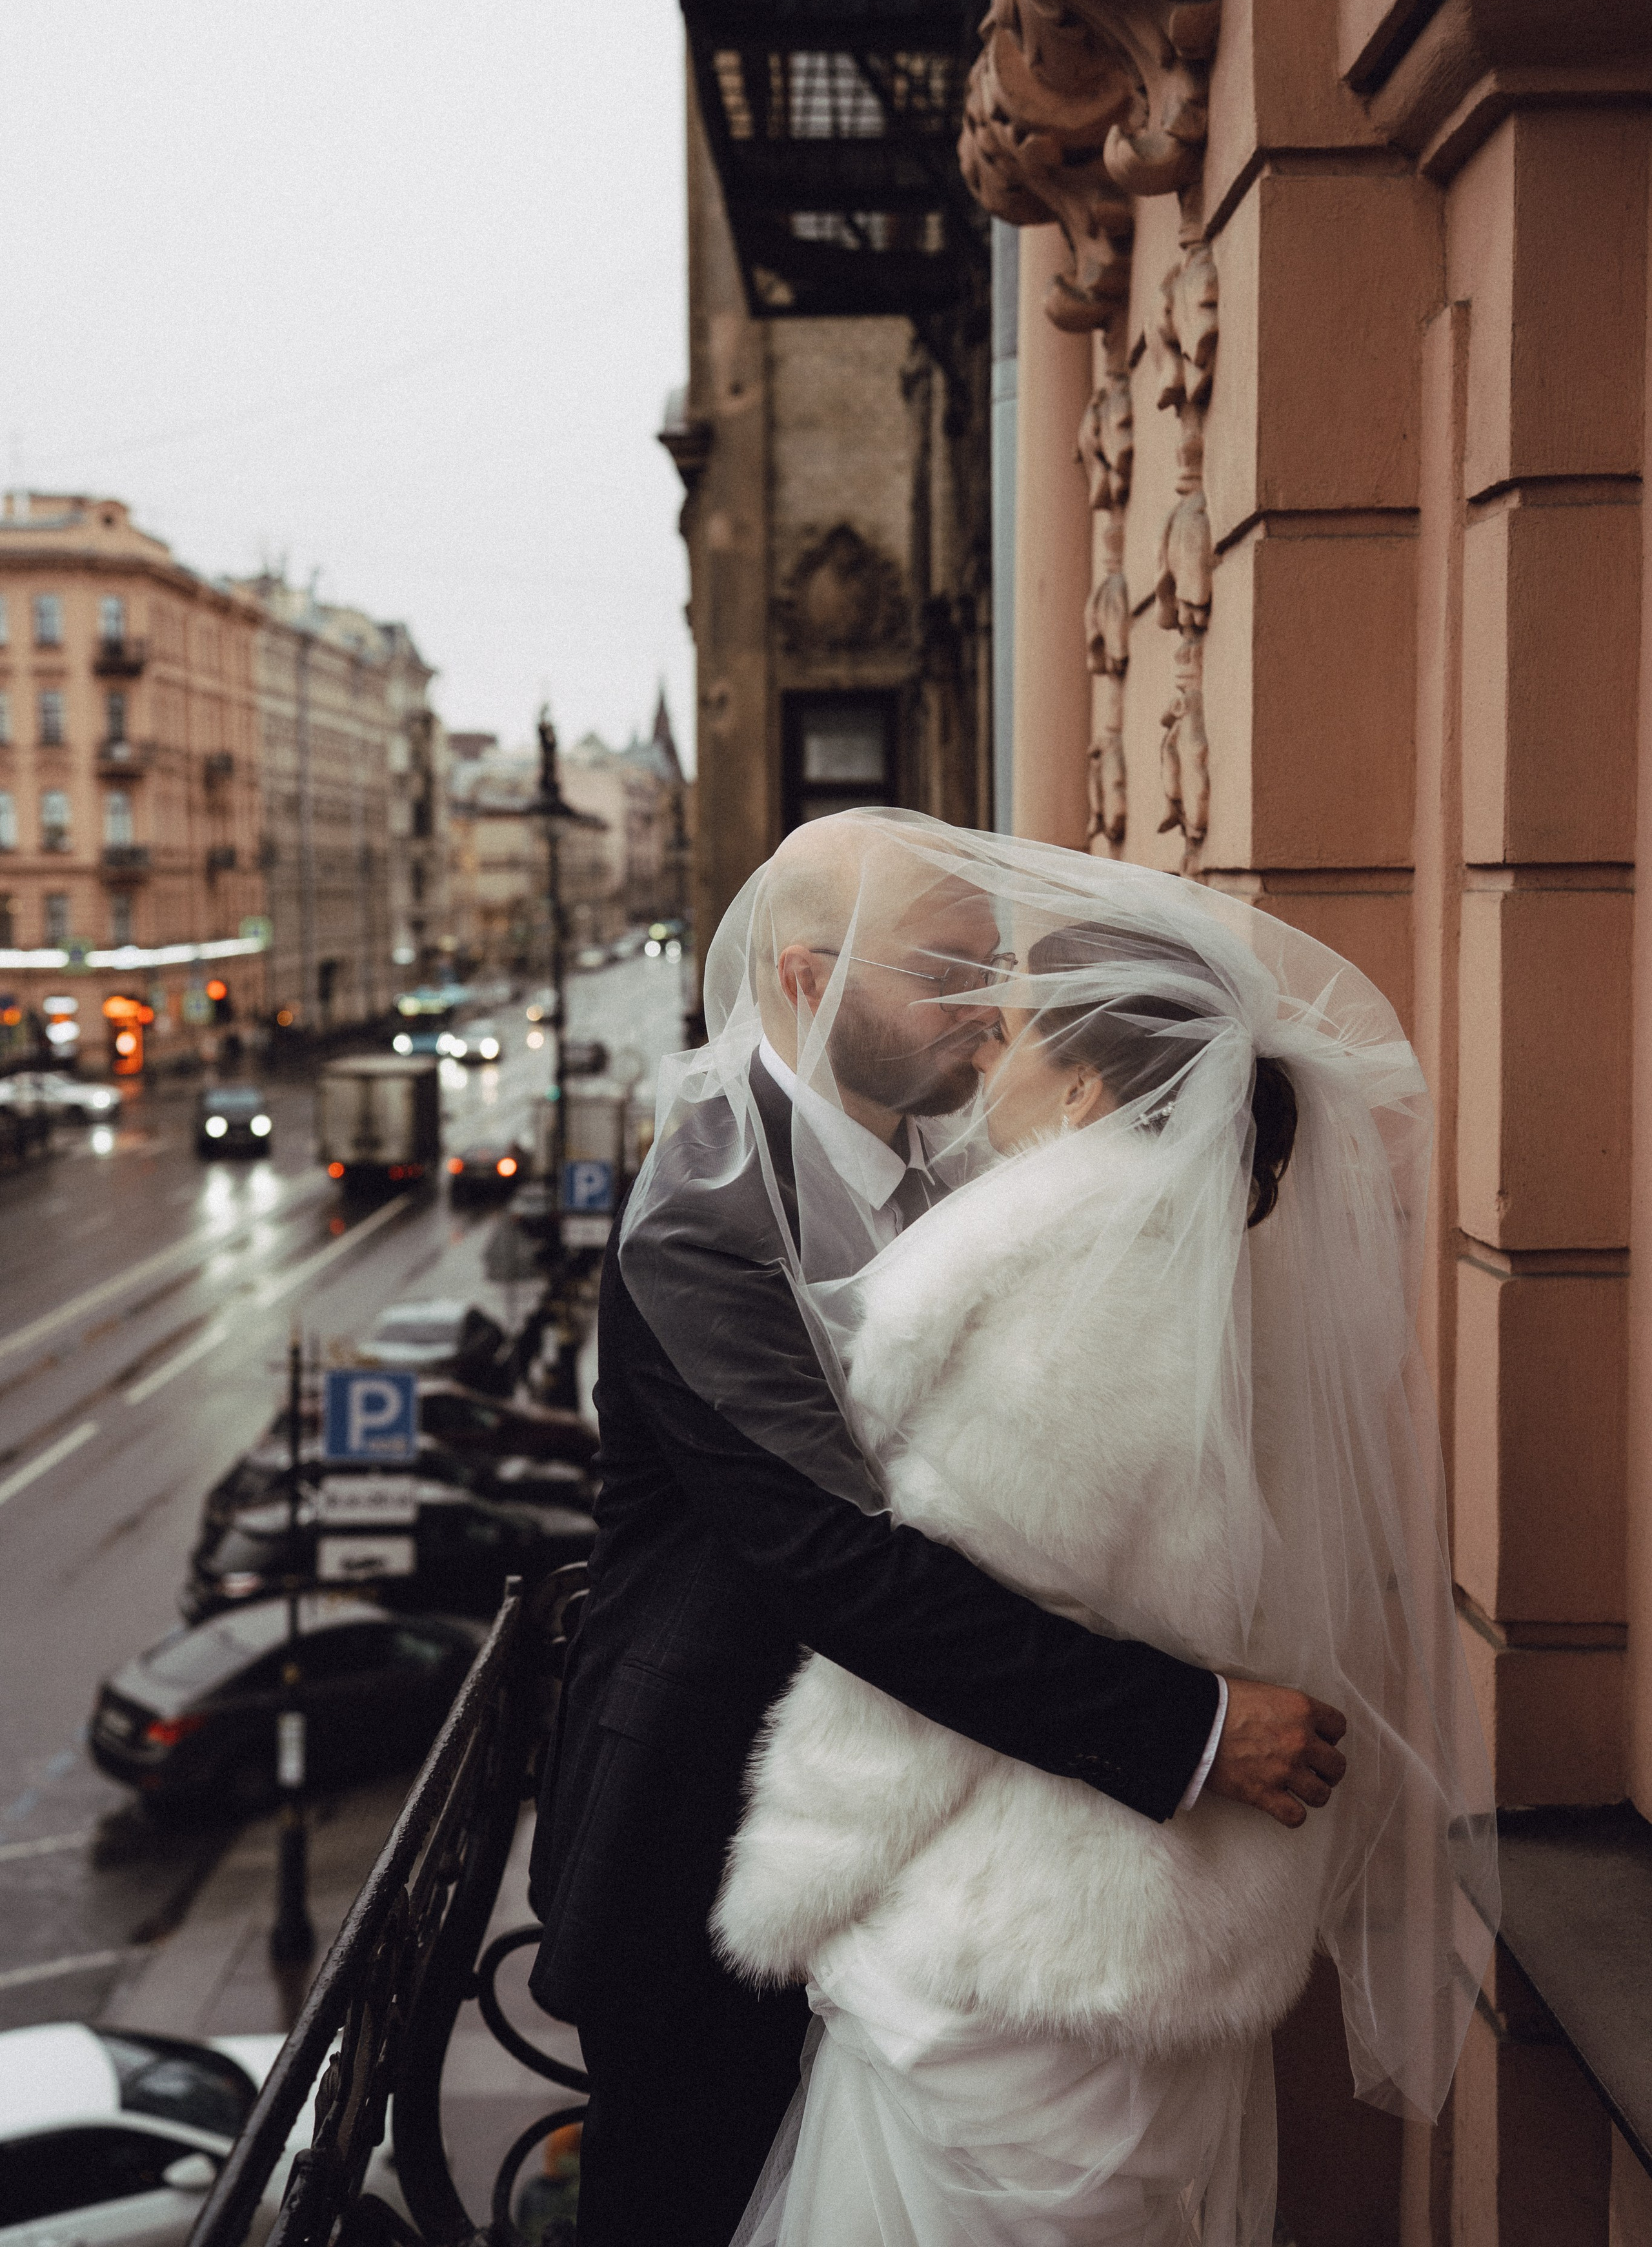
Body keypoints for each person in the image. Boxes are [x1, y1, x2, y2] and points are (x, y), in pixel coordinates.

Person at [527, 814, 1353, 2247]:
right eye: (945, 973)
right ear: (804, 976)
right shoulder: (707, 1218)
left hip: (911, 1864)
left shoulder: (965, 1170)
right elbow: (834, 1565)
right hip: (697, 1842)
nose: (985, 1017)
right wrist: (1189, 1727)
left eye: (993, 973)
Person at [710, 838, 1498, 2246]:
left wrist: (801, 1884)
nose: (981, 1055)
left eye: (1011, 1033)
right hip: (1152, 1923)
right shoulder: (1215, 1270)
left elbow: (949, 1620)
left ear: (1079, 1086)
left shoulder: (1069, 1282)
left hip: (1021, 1952)